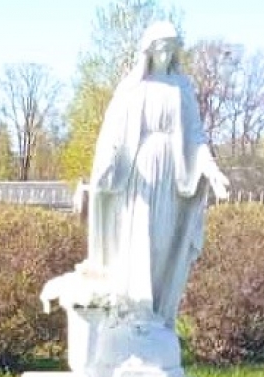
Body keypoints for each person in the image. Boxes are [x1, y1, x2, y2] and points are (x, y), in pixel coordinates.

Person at [87, 20, 229, 328]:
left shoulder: (182, 87)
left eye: (171, 49)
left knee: (163, 243)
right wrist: (106, 162)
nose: (165, 54)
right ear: (149, 50)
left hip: (172, 174)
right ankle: (131, 311)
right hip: (139, 173)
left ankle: (154, 314)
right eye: (161, 48)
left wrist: (211, 169)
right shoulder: (134, 87)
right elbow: (114, 133)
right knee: (138, 237)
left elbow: (195, 135)